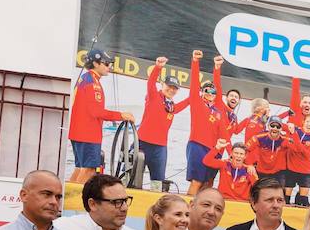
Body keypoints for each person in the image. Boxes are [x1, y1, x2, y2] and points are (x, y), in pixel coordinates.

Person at [67, 49, 134, 184]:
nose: (109, 66)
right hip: (87, 134)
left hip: (78, 132)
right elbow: (97, 112)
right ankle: (77, 199)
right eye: (106, 63)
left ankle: (67, 196)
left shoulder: (85, 78)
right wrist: (122, 115)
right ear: (96, 64)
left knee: (80, 168)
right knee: (89, 170)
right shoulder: (93, 82)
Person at [185, 51, 233, 196]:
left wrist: (217, 68)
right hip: (197, 146)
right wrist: (195, 61)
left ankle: (201, 212)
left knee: (208, 184)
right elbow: (194, 83)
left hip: (214, 150)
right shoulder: (197, 103)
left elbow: (225, 134)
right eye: (207, 90)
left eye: (213, 91)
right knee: (197, 181)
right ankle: (186, 212)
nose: (210, 93)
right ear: (201, 92)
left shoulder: (218, 110)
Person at [136, 56, 188, 186]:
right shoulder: (154, 96)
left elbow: (189, 101)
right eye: (169, 86)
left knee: (158, 182)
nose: (171, 90)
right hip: (142, 143)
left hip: (160, 148)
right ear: (162, 85)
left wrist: (200, 95)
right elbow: (150, 82)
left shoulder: (172, 107)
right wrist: (158, 67)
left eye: (174, 88)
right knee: (133, 178)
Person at [283, 113, 310, 207]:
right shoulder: (295, 130)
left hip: (305, 170)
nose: (309, 124)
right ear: (303, 122)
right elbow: (287, 144)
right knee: (286, 198)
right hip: (291, 168)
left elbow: (307, 154)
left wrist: (294, 137)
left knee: (303, 200)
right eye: (307, 121)